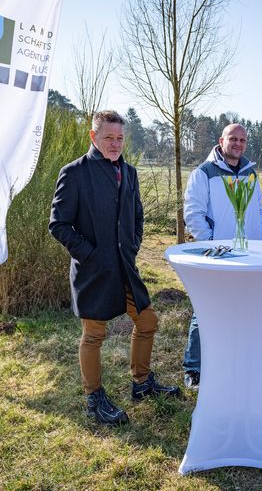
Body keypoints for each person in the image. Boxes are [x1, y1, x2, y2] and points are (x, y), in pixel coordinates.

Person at [49, 110, 179, 426]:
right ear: (93, 137)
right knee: (94, 336)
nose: (115, 143)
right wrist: (91, 255)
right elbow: (59, 224)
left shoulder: (129, 173)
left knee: (147, 321)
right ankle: (95, 399)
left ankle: (142, 383)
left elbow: (137, 217)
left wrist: (132, 245)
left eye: (120, 138)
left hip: (125, 266)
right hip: (93, 271)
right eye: (109, 137)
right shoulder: (75, 173)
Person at [181, 123, 262, 389]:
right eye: (233, 139)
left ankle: (232, 361)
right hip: (217, 256)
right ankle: (194, 368)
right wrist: (211, 244)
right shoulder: (204, 173)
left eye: (242, 139)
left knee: (243, 309)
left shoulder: (250, 172)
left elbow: (259, 210)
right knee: (206, 310)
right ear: (221, 140)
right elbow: (193, 214)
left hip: (249, 255)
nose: (238, 144)